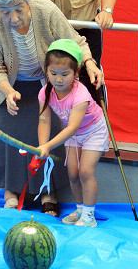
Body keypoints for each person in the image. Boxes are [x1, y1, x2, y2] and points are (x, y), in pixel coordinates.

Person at [0, 0, 103, 217]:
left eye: (18, 9)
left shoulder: (44, 9)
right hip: (10, 87)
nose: (13, 18)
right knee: (11, 143)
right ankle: (10, 193)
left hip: (46, 86)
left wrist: (90, 62)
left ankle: (48, 192)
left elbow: (75, 40)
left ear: (28, 1)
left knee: (47, 140)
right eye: (5, 12)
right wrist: (7, 90)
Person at [12, 0, 117, 103]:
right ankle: (54, 125)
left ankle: (94, 124)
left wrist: (107, 11)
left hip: (84, 26)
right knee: (48, 79)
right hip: (45, 27)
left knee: (89, 80)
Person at [36, 39, 109, 227]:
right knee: (73, 174)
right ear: (46, 71)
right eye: (53, 73)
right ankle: (80, 210)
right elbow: (44, 120)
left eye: (65, 74)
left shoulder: (81, 94)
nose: (58, 79)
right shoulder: (45, 92)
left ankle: (89, 215)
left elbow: (72, 127)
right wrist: (42, 147)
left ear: (76, 72)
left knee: (85, 172)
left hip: (93, 131)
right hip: (74, 136)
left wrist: (49, 145)